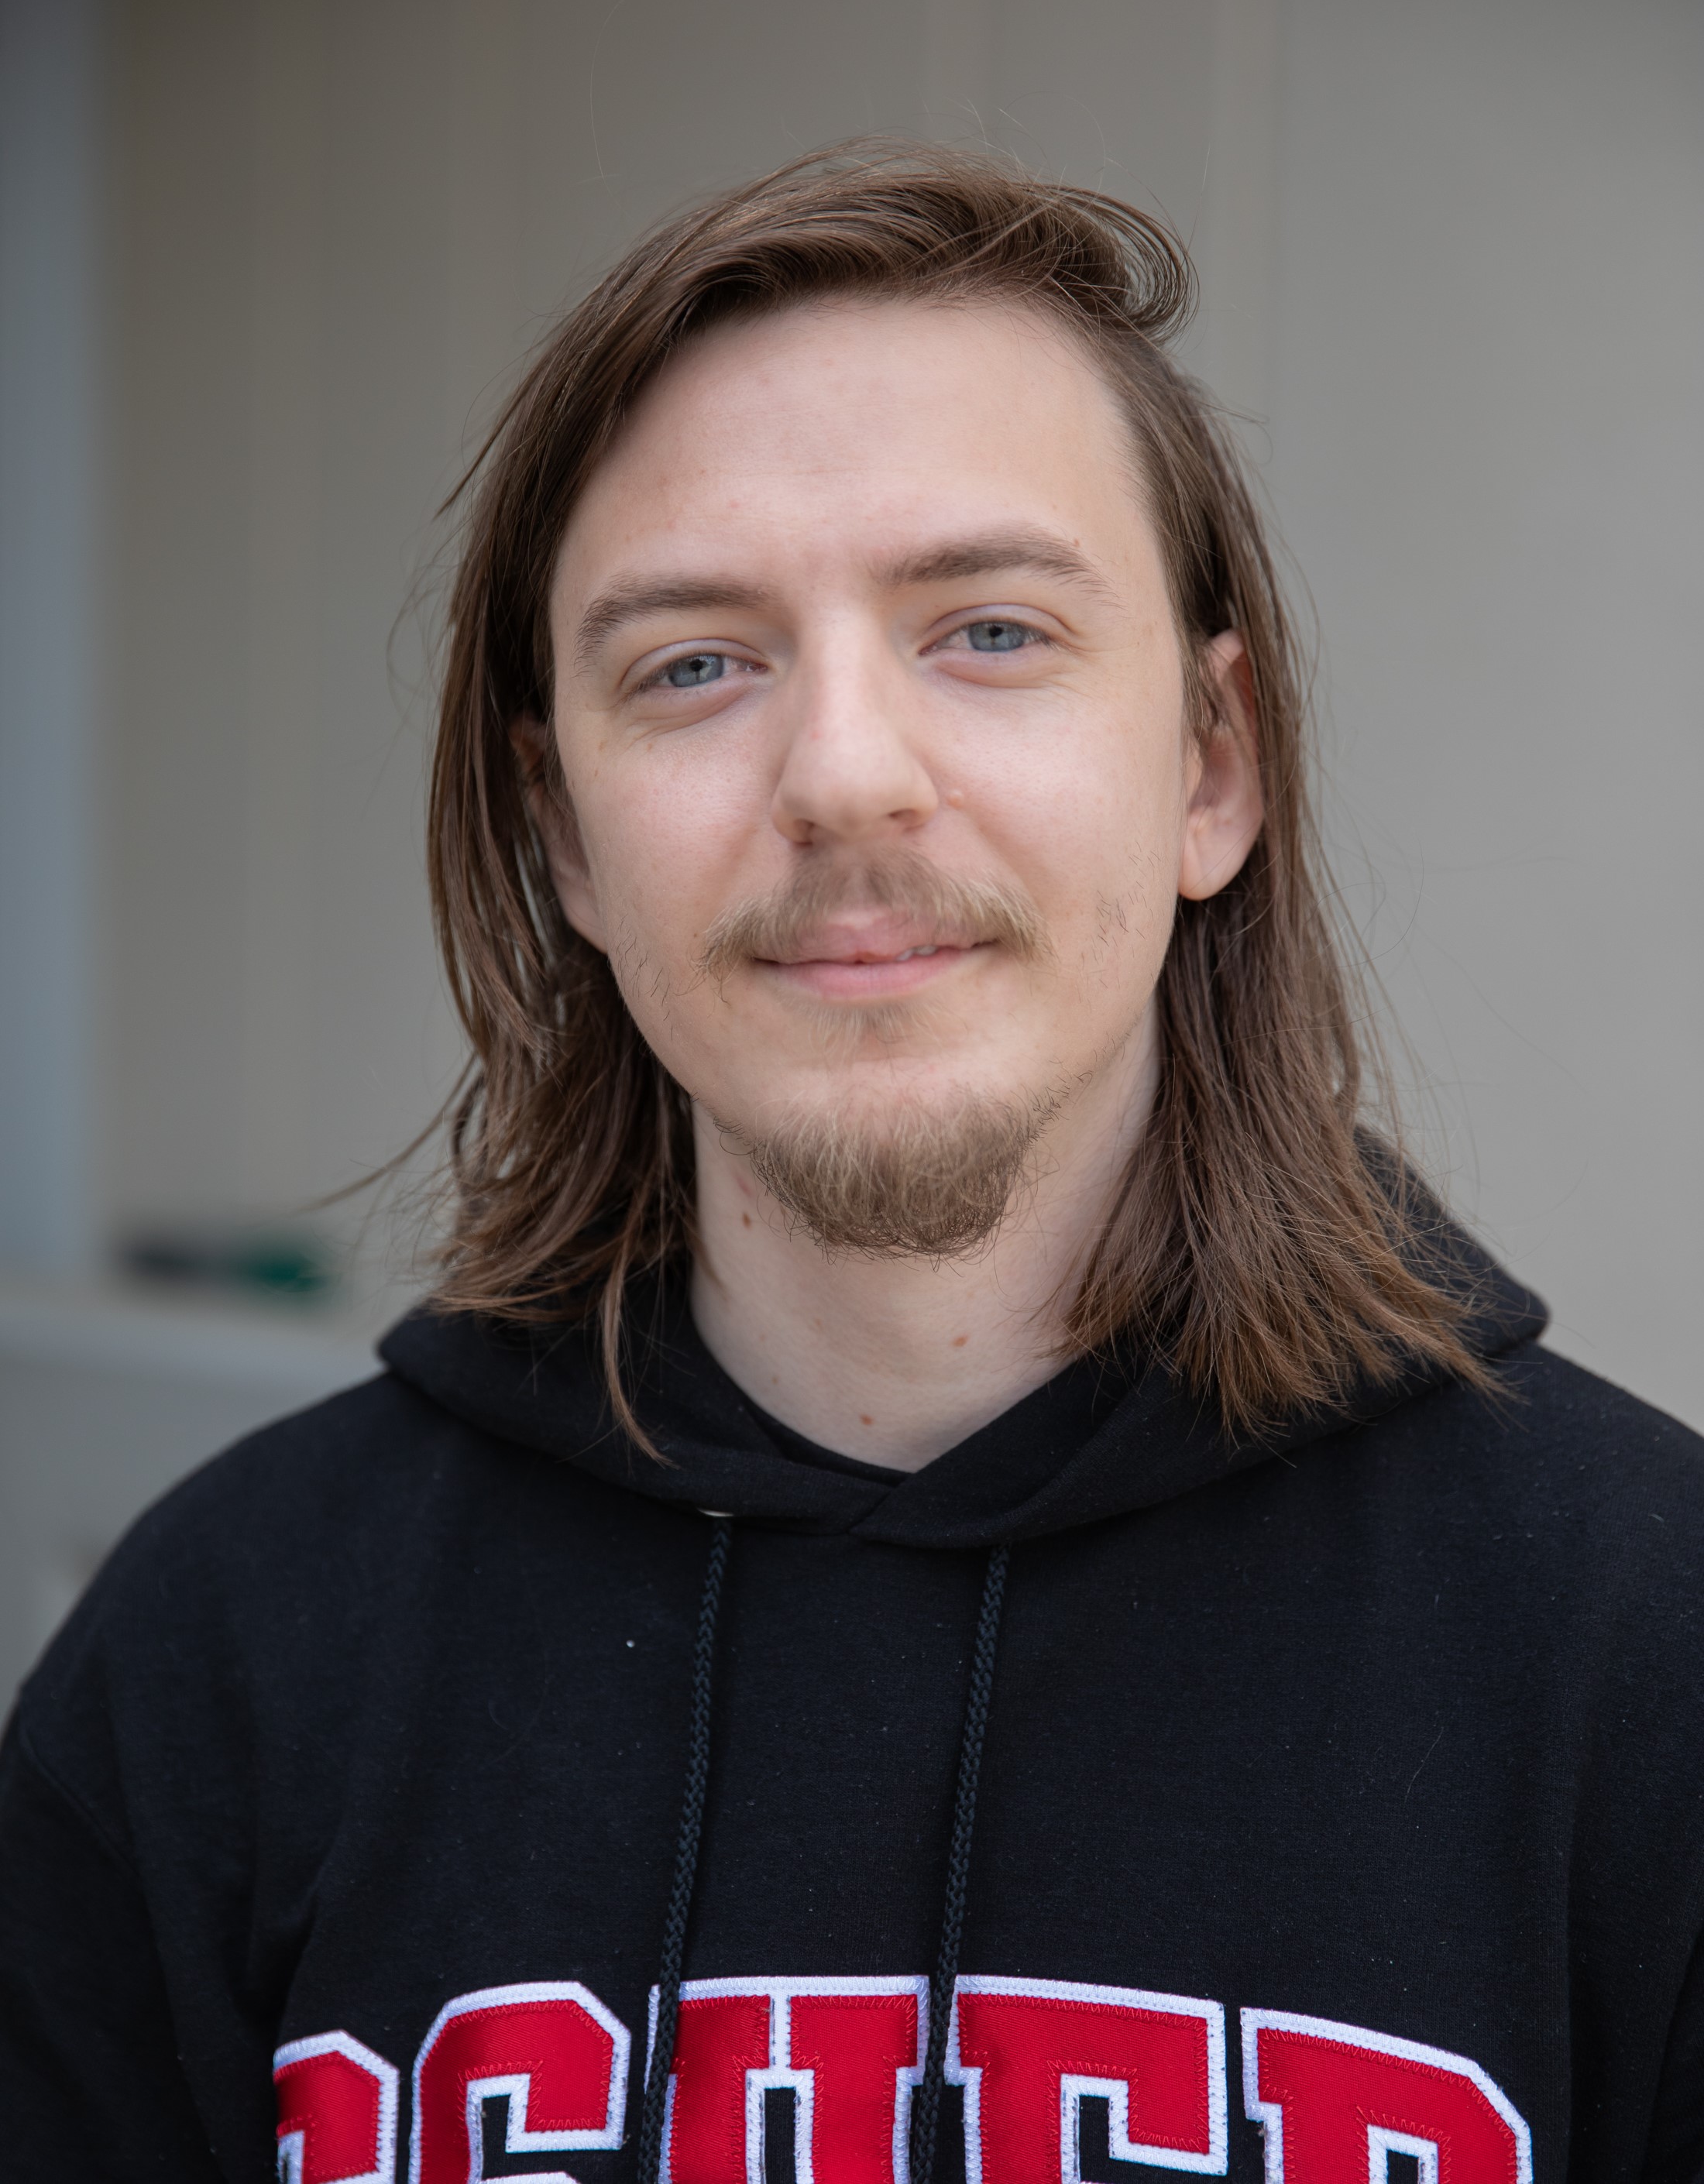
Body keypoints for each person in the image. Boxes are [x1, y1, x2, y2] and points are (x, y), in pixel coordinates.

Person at [1, 143, 1699, 2184]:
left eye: (986, 629)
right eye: (696, 664)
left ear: (1210, 767)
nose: (841, 774)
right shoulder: (220, 1662)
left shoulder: (1645, 1649)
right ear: (564, 842)